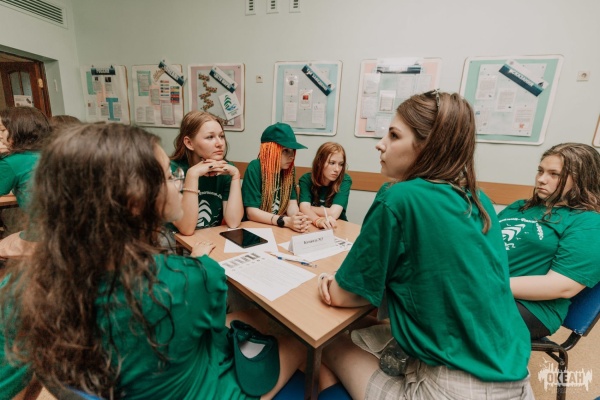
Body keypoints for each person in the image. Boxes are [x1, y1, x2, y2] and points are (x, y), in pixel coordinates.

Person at [0, 123, 305, 399]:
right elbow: (213, 339)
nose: (178, 181)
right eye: (171, 176)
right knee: (298, 339)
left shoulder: (23, 286)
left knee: (253, 316)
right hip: (204, 388)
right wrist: (198, 266)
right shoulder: (190, 279)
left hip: (128, 380)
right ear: (136, 200)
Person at [317, 91, 533, 399]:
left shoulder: (398, 197)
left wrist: (327, 282)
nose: (380, 144)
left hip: (450, 390)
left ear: (428, 145)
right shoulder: (478, 199)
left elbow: (342, 295)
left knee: (324, 343)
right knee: (370, 329)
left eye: (394, 135)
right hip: (515, 377)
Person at [499, 143, 600, 339]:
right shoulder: (519, 207)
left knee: (448, 313)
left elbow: (562, 286)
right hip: (487, 289)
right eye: (540, 171)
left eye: (554, 174)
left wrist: (485, 284)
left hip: (532, 308)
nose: (541, 179)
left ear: (582, 180)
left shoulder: (589, 223)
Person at [169, 111, 243, 235]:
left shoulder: (226, 170)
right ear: (189, 143)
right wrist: (192, 175)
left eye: (221, 136)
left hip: (207, 240)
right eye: (210, 137)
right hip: (173, 243)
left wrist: (235, 176)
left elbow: (233, 222)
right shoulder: (171, 170)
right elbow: (186, 229)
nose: (220, 143)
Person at [0, 107, 51, 258]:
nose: (0, 136)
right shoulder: (54, 152)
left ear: (19, 131)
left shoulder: (12, 161)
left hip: (41, 234)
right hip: (71, 231)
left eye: (2, 130)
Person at [242, 123, 309, 232]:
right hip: (255, 227)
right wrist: (284, 221)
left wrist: (296, 218)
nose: (292, 156)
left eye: (292, 150)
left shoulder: (289, 170)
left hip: (277, 227)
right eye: (285, 150)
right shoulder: (255, 167)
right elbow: (251, 212)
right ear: (269, 150)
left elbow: (291, 203)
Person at [299, 142, 352, 229]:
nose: (337, 169)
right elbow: (303, 208)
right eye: (332, 163)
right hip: (312, 225)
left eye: (341, 164)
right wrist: (317, 220)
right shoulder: (306, 179)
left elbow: (334, 213)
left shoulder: (345, 180)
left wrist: (306, 208)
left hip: (336, 226)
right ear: (319, 162)